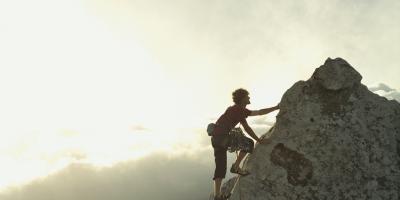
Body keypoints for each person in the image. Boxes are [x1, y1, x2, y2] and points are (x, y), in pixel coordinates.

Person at [211, 88, 279, 200]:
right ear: (243, 99)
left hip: (215, 139)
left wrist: (275, 108)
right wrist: (259, 140)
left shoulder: (235, 109)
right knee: (249, 143)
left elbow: (259, 112)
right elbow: (248, 126)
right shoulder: (239, 110)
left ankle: (217, 196)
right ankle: (236, 166)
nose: (249, 98)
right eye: (247, 96)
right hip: (223, 138)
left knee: (220, 166)